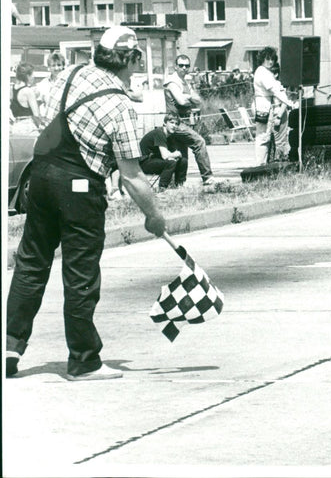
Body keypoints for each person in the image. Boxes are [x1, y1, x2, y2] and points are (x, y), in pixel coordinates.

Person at [6, 26, 166, 380]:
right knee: (80, 274)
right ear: (130, 60)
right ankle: (84, 360)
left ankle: (8, 347)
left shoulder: (71, 73)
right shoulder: (121, 107)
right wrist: (154, 216)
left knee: (31, 263)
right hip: (79, 189)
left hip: (41, 176)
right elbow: (131, 176)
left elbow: (50, 121)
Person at [163, 55, 215, 185]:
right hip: (175, 121)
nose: (184, 68)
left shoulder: (184, 81)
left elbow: (198, 101)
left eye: (187, 65)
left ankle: (179, 183)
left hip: (184, 120)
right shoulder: (172, 82)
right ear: (175, 66)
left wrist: (188, 97)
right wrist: (189, 97)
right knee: (199, 142)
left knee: (181, 153)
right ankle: (207, 177)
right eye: (181, 65)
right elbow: (181, 101)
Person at [252, 46, 293, 164]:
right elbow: (275, 90)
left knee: (265, 137)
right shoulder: (262, 72)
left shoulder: (264, 71)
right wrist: (288, 102)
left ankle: (262, 163)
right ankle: (260, 164)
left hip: (265, 105)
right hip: (263, 106)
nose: (270, 62)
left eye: (272, 59)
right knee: (263, 137)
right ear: (262, 59)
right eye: (267, 59)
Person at [139, 113, 187, 190]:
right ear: (165, 123)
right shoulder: (159, 133)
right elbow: (165, 155)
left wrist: (174, 155)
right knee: (171, 162)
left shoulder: (170, 136)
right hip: (144, 162)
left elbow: (171, 153)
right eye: (171, 123)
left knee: (183, 161)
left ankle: (179, 186)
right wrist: (175, 154)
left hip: (154, 159)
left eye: (176, 124)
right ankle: (162, 188)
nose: (174, 126)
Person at [11, 63, 45, 132]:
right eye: (32, 74)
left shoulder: (12, 89)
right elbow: (36, 115)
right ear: (27, 76)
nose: (34, 77)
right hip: (28, 127)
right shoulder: (28, 91)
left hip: (16, 126)